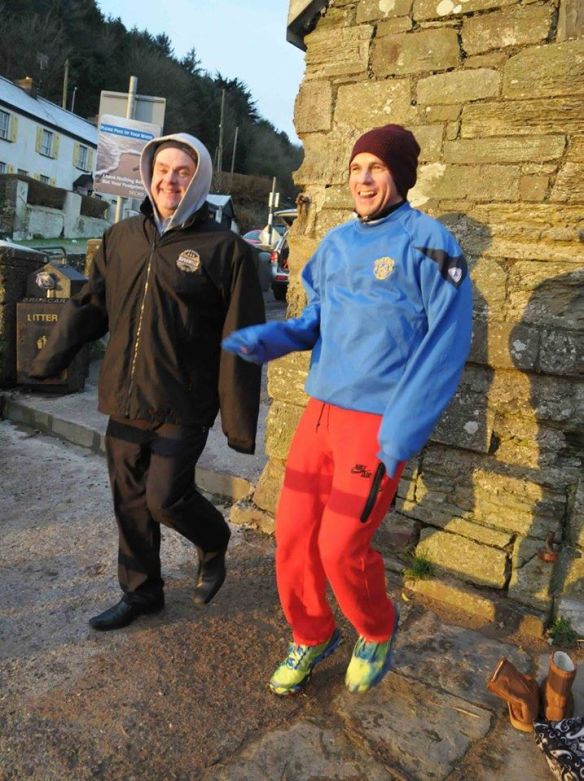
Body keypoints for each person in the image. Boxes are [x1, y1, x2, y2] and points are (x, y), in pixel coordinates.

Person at [223, 124, 473, 695]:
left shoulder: (431, 243)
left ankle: (375, 627)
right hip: (321, 414)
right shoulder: (336, 244)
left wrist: (402, 430)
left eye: (377, 168)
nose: (363, 178)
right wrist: (278, 338)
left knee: (340, 546)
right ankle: (312, 634)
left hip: (378, 425)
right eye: (358, 167)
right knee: (292, 536)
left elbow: (447, 344)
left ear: (400, 176)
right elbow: (319, 318)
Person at [30, 133, 265, 630]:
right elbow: (91, 305)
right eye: (163, 169)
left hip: (183, 401)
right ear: (148, 174)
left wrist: (239, 423)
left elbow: (242, 339)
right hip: (125, 395)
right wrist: (50, 358)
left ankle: (213, 538)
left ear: (198, 179)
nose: (170, 179)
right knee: (130, 502)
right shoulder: (122, 238)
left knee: (165, 498)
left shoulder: (225, 251)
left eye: (183, 171)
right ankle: (141, 594)